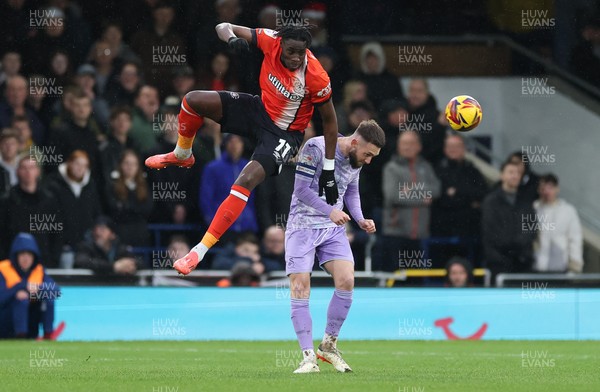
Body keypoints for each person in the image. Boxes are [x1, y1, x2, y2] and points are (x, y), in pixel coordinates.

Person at [145, 24, 341, 275]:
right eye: (291, 51)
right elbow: (222, 26)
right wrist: (230, 40)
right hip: (258, 109)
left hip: (284, 135)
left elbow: (330, 121)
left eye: (301, 53)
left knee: (245, 179)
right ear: (279, 44)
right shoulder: (269, 39)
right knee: (192, 100)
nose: (295, 58)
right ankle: (182, 154)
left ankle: (198, 251)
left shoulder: (316, 76)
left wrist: (328, 168)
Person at [285, 120, 385, 373]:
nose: (369, 160)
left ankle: (328, 346)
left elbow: (351, 190)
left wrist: (360, 218)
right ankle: (308, 357)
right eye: (368, 154)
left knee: (347, 280)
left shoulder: (355, 160)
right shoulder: (315, 148)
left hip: (332, 229)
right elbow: (301, 190)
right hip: (303, 226)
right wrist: (330, 211)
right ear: (354, 143)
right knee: (300, 286)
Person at [381, 130, 441, 272]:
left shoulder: (426, 167)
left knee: (417, 281)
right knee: (395, 281)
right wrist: (422, 198)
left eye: (411, 143)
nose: (407, 147)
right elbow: (393, 195)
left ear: (419, 146)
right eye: (404, 143)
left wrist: (410, 190)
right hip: (396, 233)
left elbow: (436, 190)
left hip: (420, 235)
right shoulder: (391, 168)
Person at [0, 233, 64, 340]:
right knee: (21, 300)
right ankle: (20, 335)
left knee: (47, 298)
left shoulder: (38, 270)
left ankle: (48, 333)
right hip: (6, 322)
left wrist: (38, 289)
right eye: (22, 254)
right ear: (15, 255)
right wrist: (19, 289)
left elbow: (56, 291)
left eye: (29, 254)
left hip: (31, 322)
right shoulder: (3, 269)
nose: (26, 258)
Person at [482, 160, 537, 282]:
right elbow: (492, 231)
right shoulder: (491, 202)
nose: (515, 176)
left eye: (517, 173)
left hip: (523, 262)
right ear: (502, 175)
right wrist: (513, 246)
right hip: (499, 262)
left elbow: (531, 228)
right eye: (511, 172)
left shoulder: (526, 201)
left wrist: (520, 246)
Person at [45, 150, 101, 268]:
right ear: (69, 163)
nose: (80, 168)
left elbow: (96, 213)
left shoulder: (91, 186)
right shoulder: (53, 184)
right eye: (77, 164)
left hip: (86, 245)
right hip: (63, 247)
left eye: (84, 165)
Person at [200, 134, 258, 237]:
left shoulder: (249, 167)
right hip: (222, 227)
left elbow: (254, 198)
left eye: (238, 141)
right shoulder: (213, 168)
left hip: (246, 227)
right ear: (226, 144)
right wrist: (211, 221)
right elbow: (206, 197)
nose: (234, 145)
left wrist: (252, 220)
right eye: (231, 141)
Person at [533, 174, 584, 273]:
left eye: (550, 188)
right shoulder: (534, 208)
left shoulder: (568, 211)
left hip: (559, 268)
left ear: (557, 189)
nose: (547, 192)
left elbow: (575, 239)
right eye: (543, 188)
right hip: (536, 266)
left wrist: (575, 265)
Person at [74, 216, 139, 276]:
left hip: (116, 286)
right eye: (95, 229)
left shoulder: (120, 248)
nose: (97, 233)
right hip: (92, 285)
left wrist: (129, 264)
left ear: (112, 235)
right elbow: (81, 261)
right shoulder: (85, 247)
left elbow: (140, 263)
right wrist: (113, 267)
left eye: (102, 230)